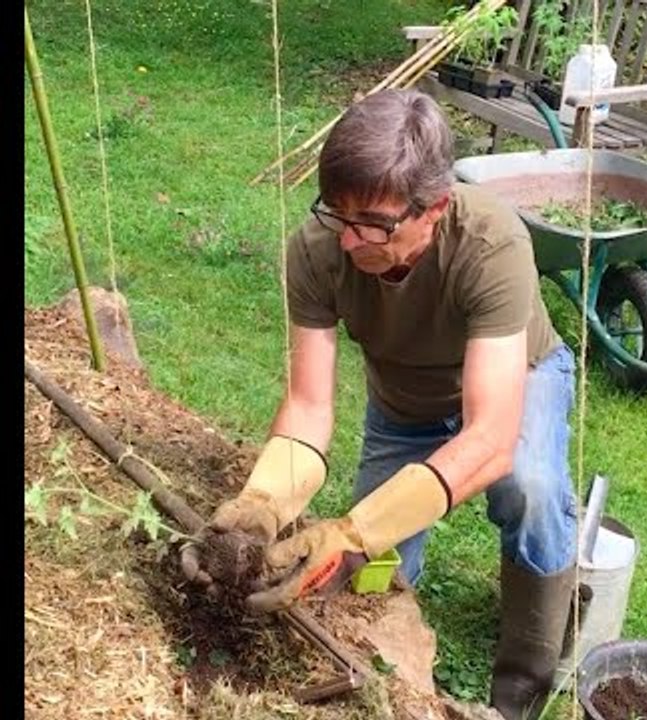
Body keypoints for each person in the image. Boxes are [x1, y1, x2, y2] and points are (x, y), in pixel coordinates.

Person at [182, 88, 578, 720]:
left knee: (530, 488)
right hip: (405, 399)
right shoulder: (318, 247)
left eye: (372, 223)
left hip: (517, 381)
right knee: (376, 561)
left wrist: (352, 531)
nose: (347, 240)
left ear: (436, 207)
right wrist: (262, 504)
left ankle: (526, 685)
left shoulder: (491, 242)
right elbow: (309, 406)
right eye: (337, 214)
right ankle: (394, 672)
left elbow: (490, 438)